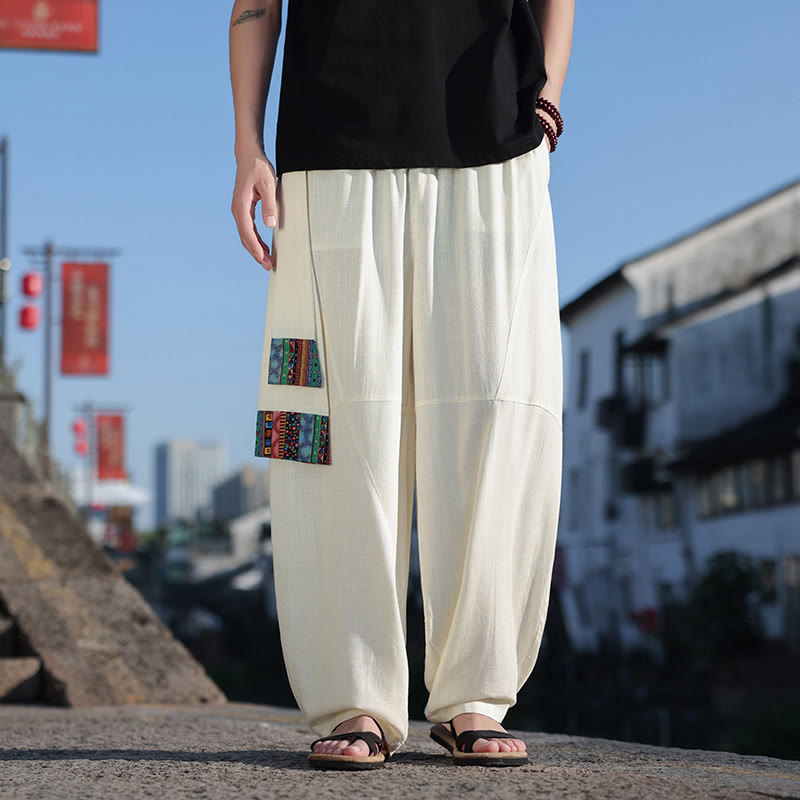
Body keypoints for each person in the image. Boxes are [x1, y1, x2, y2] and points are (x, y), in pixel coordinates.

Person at [230, 0, 574, 770]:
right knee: (323, 424)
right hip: (329, 154)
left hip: (494, 143)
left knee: (498, 408)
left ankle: (477, 694)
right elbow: (255, 4)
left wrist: (547, 99)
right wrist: (247, 146)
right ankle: (353, 697)